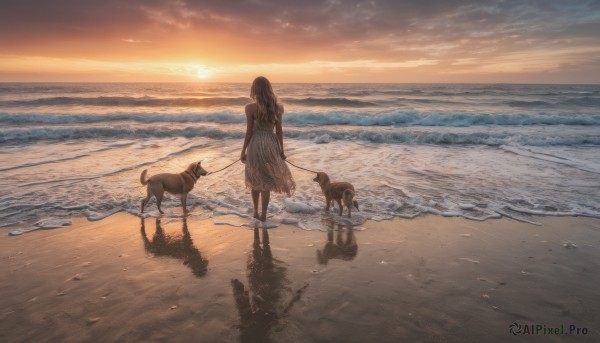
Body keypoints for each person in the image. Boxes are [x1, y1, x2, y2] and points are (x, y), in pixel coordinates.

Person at [240, 76, 296, 221]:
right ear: (269, 88)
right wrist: (281, 151)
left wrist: (243, 152)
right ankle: (264, 215)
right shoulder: (278, 108)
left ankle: (255, 212)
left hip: (256, 143)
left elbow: (249, 132)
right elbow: (279, 132)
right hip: (270, 144)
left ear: (254, 89)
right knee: (266, 181)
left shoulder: (250, 108)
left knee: (254, 179)